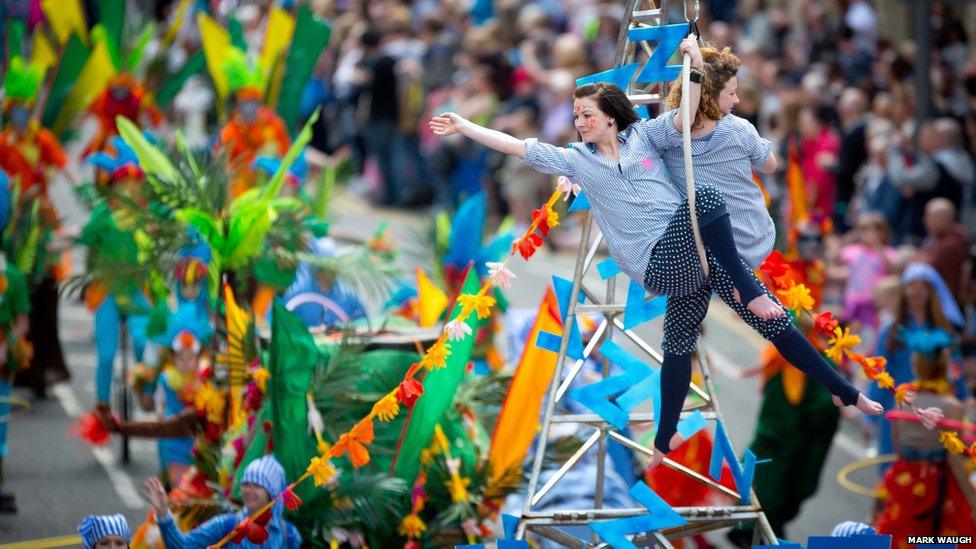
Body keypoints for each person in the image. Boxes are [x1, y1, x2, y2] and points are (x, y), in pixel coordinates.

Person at [429, 36, 882, 470]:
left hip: (695, 255)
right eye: (575, 115)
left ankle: (836, 392)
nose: (579, 122)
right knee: (704, 202)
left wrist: (695, 67)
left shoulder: (645, 138)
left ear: (610, 116)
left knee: (715, 337)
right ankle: (751, 290)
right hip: (659, 262)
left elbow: (686, 116)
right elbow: (519, 147)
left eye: (586, 114)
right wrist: (466, 126)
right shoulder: (576, 160)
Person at [874, 329, 976, 546]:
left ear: (916, 364)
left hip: (904, 480)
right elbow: (954, 460)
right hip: (939, 488)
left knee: (900, 540)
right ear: (944, 367)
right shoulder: (952, 406)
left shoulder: (903, 396)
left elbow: (898, 448)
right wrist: (972, 499)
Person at [145, 454, 301, 548]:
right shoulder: (226, 525)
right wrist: (163, 513)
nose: (248, 490)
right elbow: (183, 546)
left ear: (272, 494)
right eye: (246, 484)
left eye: (257, 486)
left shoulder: (289, 535)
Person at [916, 198, 970, 302]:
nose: (925, 221)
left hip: (947, 302)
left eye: (929, 217)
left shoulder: (953, 243)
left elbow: (924, 268)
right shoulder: (936, 238)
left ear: (943, 219)